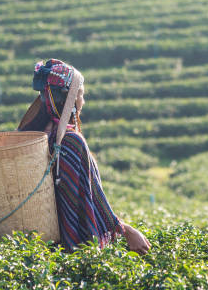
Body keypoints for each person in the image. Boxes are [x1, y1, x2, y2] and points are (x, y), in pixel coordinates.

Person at [18, 58, 151, 254]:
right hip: (69, 245)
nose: (83, 102)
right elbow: (91, 198)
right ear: (69, 100)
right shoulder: (70, 142)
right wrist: (127, 231)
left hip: (40, 244)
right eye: (81, 95)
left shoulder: (36, 137)